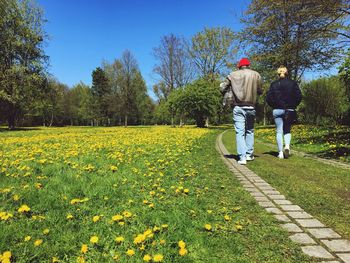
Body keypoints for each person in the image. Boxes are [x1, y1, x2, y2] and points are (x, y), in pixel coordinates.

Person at [220, 58, 263, 165]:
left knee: (240, 132)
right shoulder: (256, 75)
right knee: (250, 131)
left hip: (238, 106)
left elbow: (222, 87)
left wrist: (229, 91)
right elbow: (260, 90)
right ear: (248, 65)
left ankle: (242, 157)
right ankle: (249, 155)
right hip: (251, 106)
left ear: (239, 66)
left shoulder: (232, 75)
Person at [266, 66, 302, 159]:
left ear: (278, 73)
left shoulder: (273, 84)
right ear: (287, 73)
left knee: (279, 131)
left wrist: (274, 105)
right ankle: (287, 146)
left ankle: (280, 153)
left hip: (277, 110)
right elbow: (299, 96)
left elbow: (269, 98)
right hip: (289, 110)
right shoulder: (293, 83)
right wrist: (294, 105)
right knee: (287, 130)